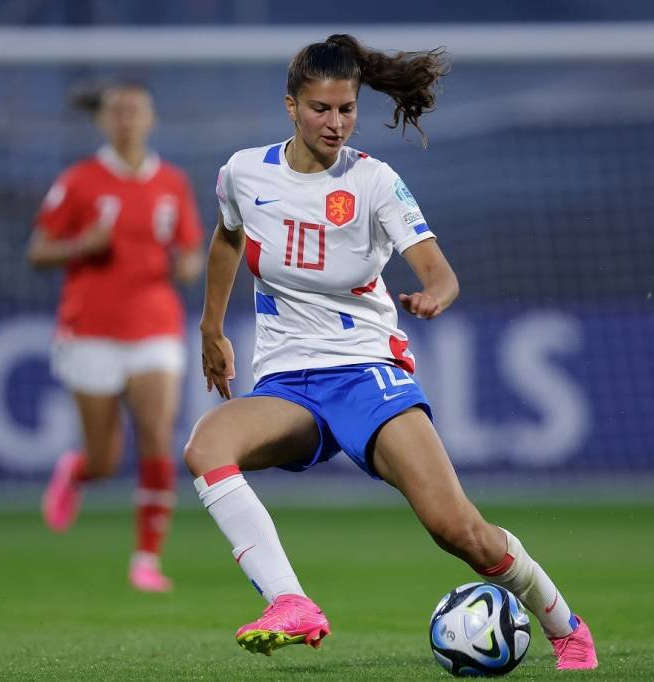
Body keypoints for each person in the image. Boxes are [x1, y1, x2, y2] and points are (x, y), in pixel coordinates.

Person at [184, 34, 598, 669]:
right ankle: (291, 602)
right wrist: (212, 329)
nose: (336, 123)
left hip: (365, 374)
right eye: (321, 109)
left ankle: (564, 624)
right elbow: (226, 238)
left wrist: (435, 294)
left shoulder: (374, 180)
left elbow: (442, 272)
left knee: (456, 529)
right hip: (288, 382)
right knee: (206, 447)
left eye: (346, 109)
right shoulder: (243, 172)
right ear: (291, 107)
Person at [28, 82, 204, 593]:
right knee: (105, 458)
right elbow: (38, 250)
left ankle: (146, 560)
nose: (127, 119)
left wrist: (186, 264)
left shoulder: (171, 182)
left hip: (153, 324)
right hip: (91, 328)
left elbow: (190, 253)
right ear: (103, 121)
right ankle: (78, 472)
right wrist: (82, 245)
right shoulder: (80, 180)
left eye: (135, 110)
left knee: (156, 434)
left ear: (150, 118)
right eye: (117, 112)